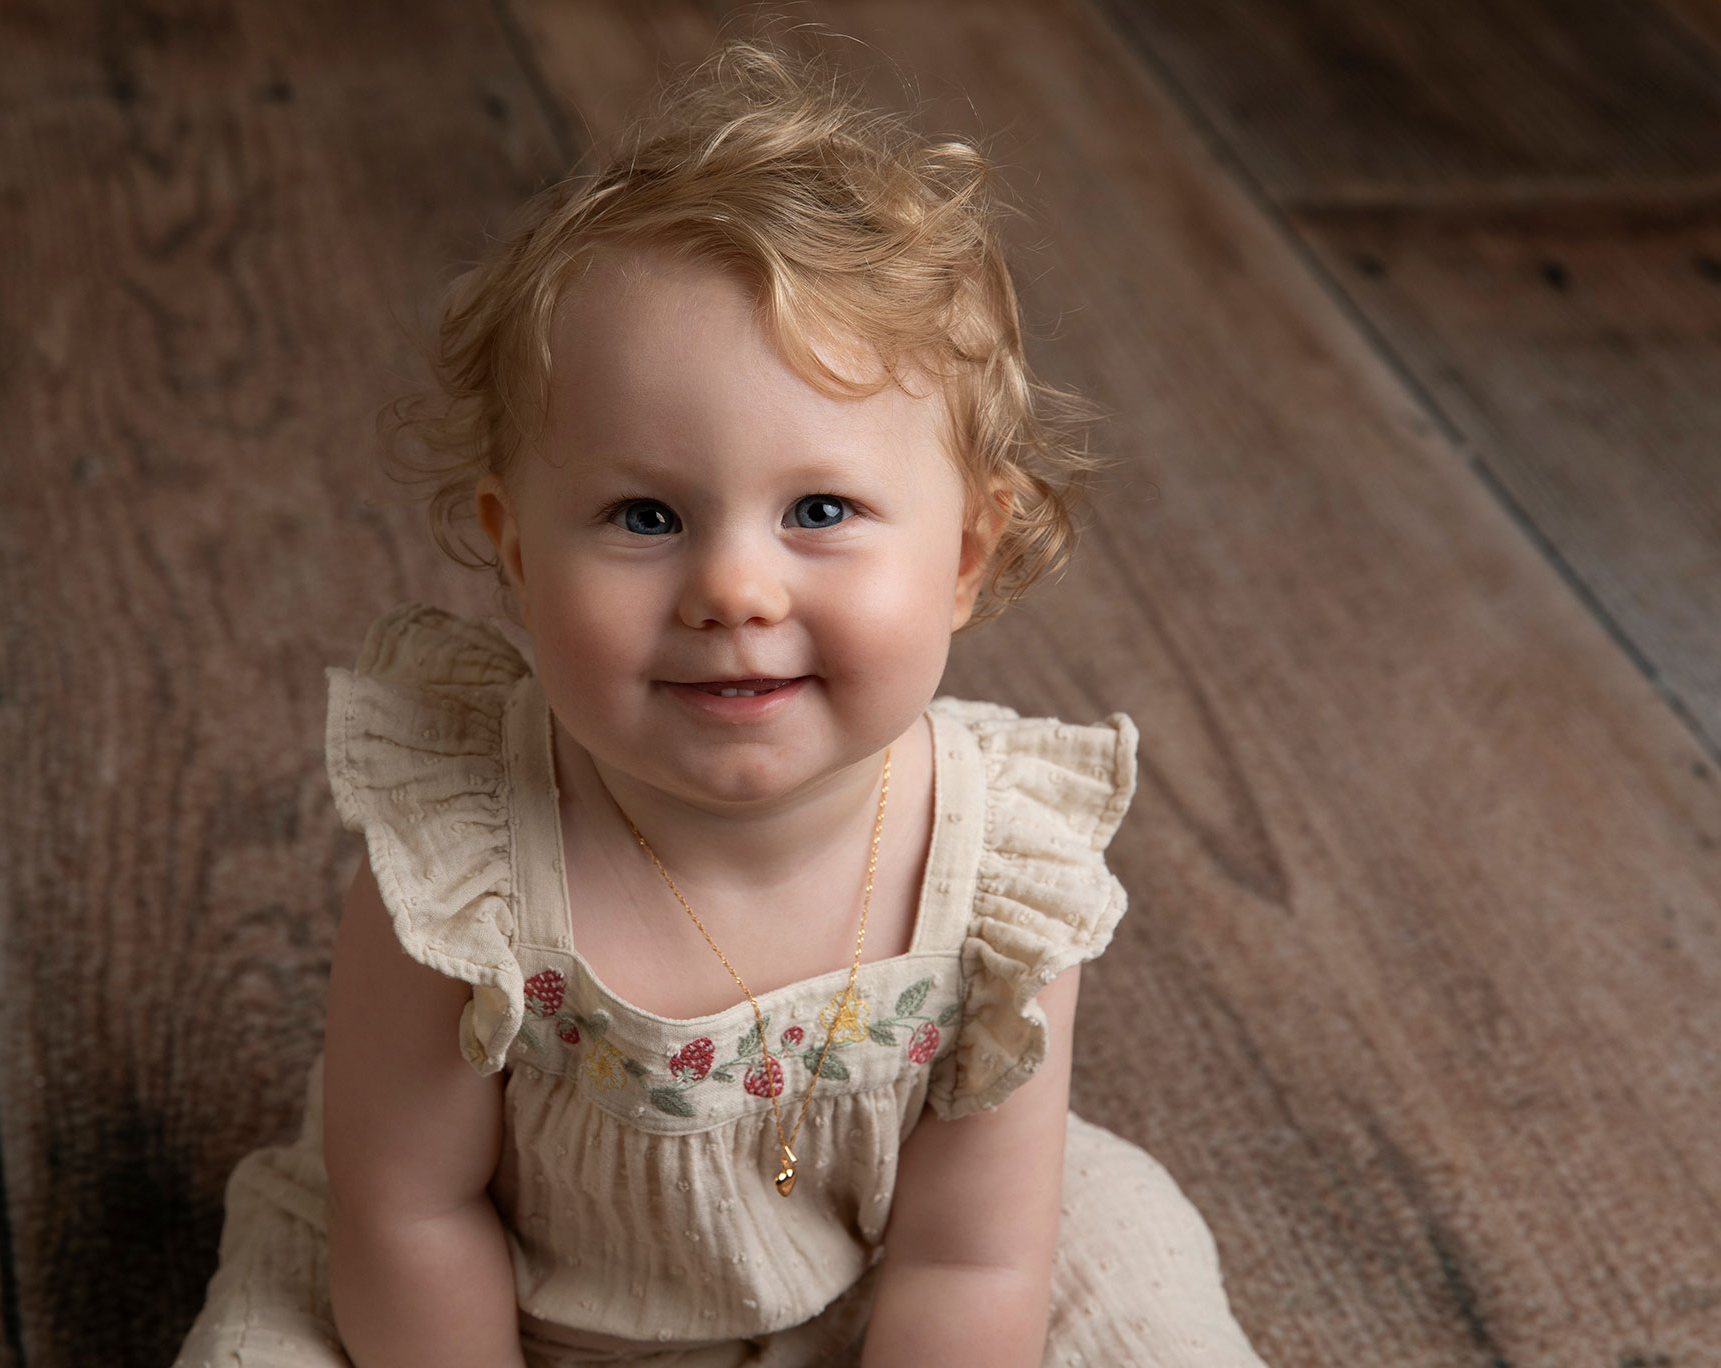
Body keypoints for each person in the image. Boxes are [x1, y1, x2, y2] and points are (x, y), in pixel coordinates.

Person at [175, 39, 1268, 1368]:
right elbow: (411, 1215)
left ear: (965, 556)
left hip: (877, 1280)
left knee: (1132, 1261)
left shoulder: (998, 873)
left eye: (822, 509)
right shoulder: (463, 861)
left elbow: (967, 1256)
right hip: (492, 1301)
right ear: (517, 552)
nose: (735, 589)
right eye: (646, 515)